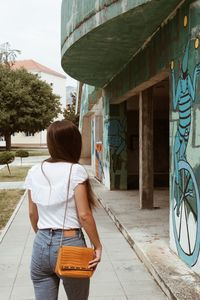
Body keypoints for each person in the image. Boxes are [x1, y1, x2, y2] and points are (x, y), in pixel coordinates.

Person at [24, 120, 102, 300]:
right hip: (70, 243)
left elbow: (31, 213)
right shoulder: (75, 171)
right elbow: (84, 215)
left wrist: (43, 236)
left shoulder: (34, 171)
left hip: (41, 244)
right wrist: (97, 245)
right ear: (74, 142)